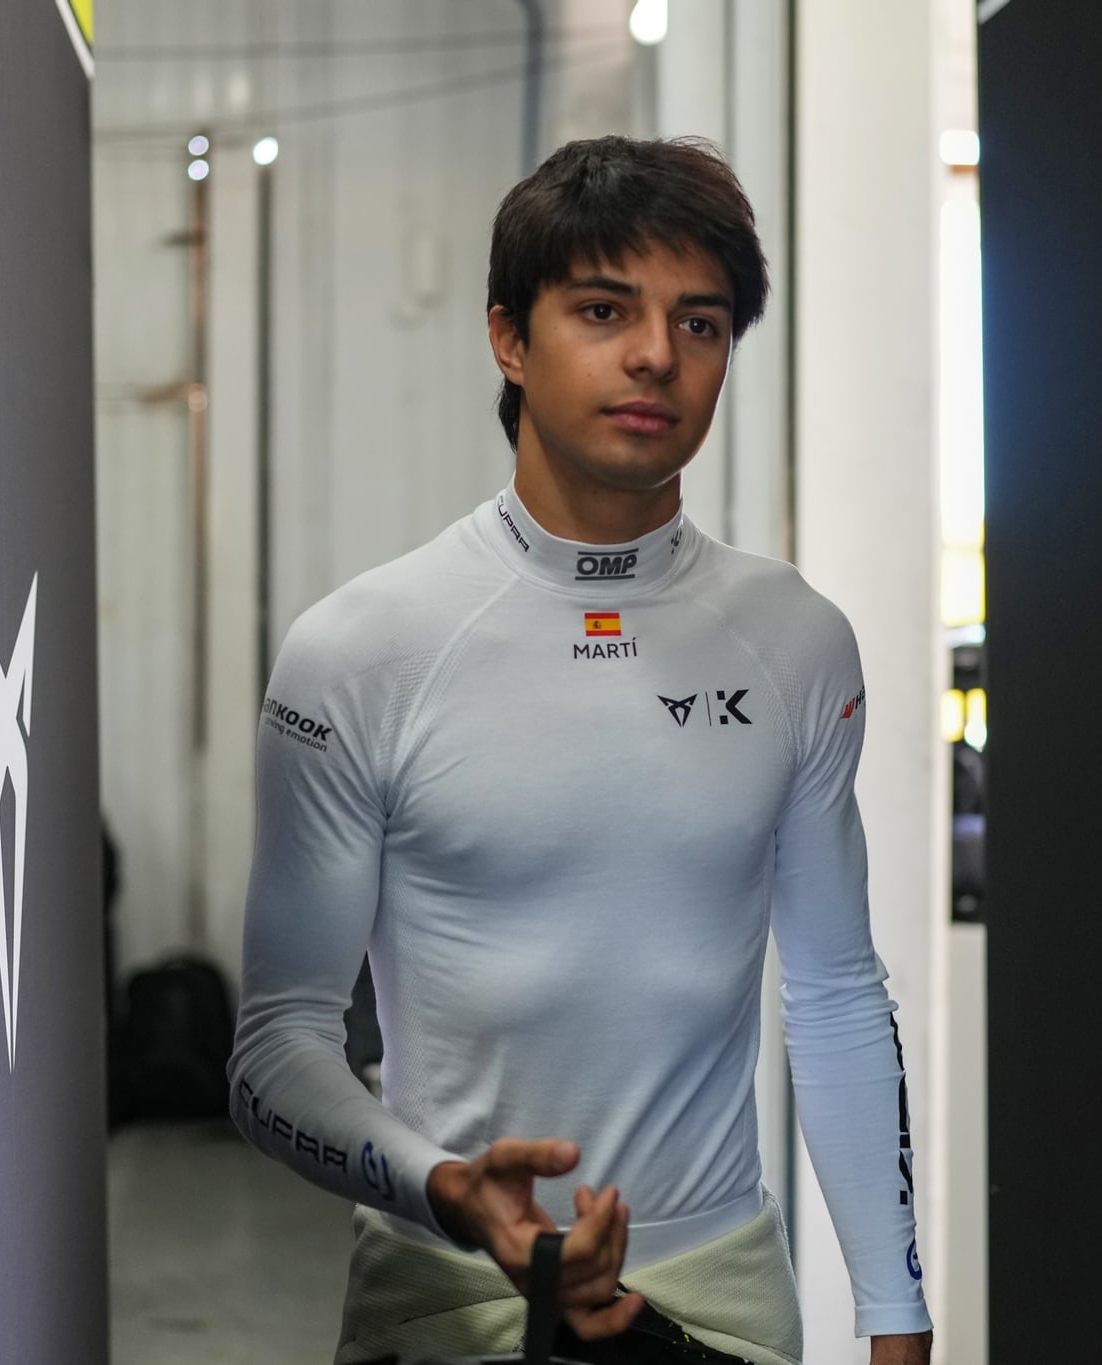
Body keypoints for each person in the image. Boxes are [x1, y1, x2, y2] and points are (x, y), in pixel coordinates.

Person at [228, 135, 934, 1365]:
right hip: (446, 1295)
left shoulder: (794, 642)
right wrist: (446, 1190)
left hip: (722, 1301)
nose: (656, 354)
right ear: (509, 338)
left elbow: (830, 995)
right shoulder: (360, 650)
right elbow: (273, 1049)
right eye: (603, 309)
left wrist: (893, 1313)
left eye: (700, 323)